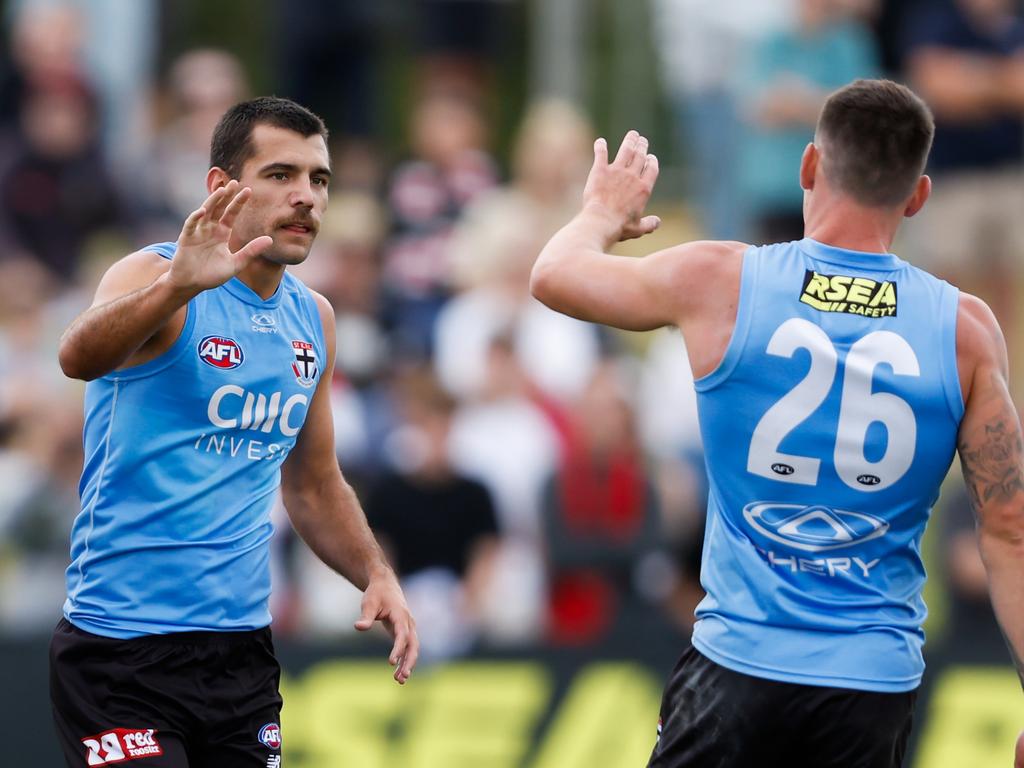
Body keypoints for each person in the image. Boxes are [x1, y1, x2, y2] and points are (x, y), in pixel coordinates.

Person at [531, 78, 1024, 767]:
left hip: (739, 662)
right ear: (917, 197)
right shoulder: (965, 331)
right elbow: (1008, 528)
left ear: (808, 167)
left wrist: (599, 213)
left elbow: (553, 275)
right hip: (871, 683)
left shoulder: (722, 282)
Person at [50, 97, 418, 767]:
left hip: (239, 657)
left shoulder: (315, 320)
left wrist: (375, 572)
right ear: (222, 187)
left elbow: (311, 482)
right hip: (119, 651)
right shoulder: (152, 277)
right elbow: (76, 358)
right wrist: (175, 290)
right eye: (281, 175)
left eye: (319, 179)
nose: (305, 197)